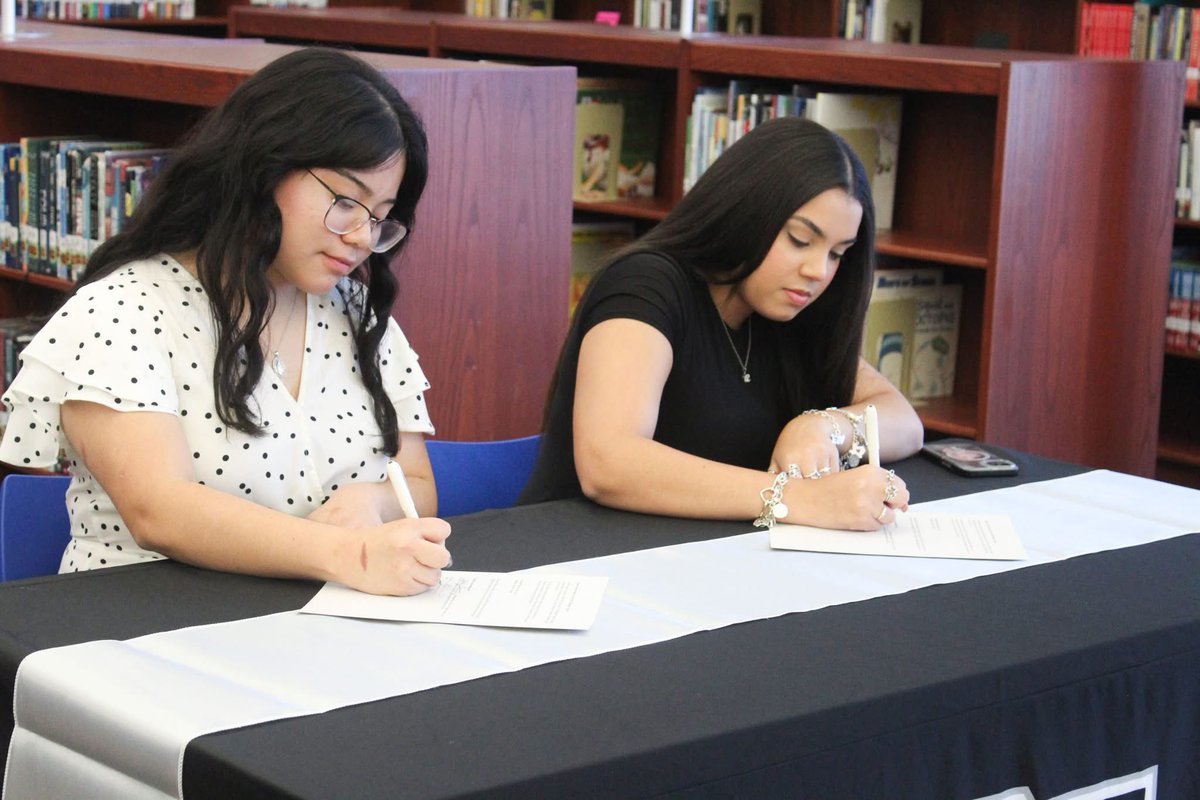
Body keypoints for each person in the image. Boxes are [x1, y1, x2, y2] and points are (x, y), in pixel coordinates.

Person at [0, 48, 451, 595]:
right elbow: (159, 511)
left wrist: (371, 500)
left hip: (310, 629)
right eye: (347, 202)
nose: (361, 237)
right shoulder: (124, 310)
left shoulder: (358, 317)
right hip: (140, 634)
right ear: (266, 166)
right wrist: (347, 553)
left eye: (380, 217)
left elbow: (417, 484)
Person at [520, 116, 924, 530]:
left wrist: (824, 427)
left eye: (837, 253)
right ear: (747, 212)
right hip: (585, 556)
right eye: (800, 240)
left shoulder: (790, 311)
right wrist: (798, 498)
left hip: (715, 560)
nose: (818, 270)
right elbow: (608, 462)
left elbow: (905, 422)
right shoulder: (645, 285)